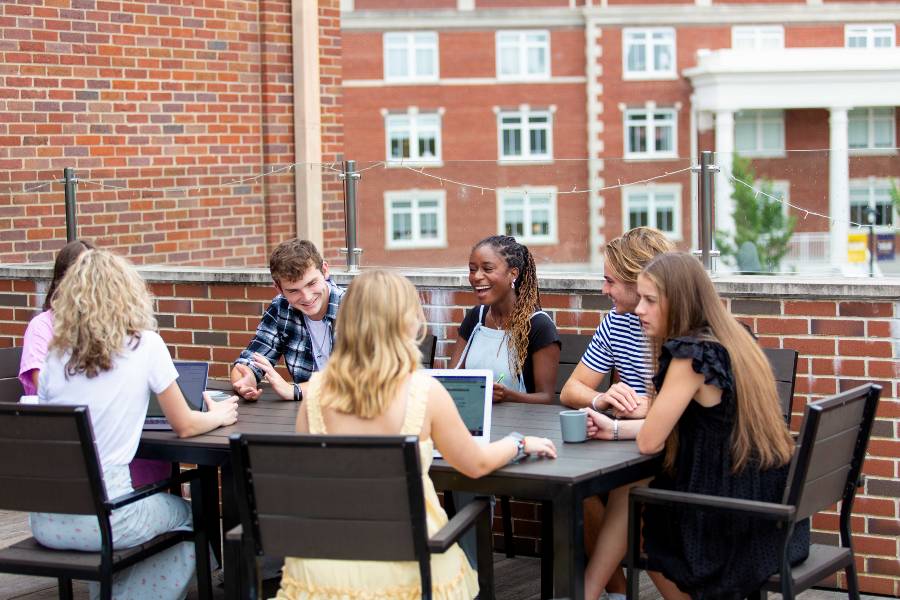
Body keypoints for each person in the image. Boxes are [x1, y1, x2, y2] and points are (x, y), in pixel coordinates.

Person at [253, 270, 557, 599]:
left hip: (323, 568)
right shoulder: (425, 391)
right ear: (407, 322)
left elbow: (306, 478)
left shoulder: (315, 394)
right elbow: (476, 465)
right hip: (411, 564)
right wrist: (518, 443)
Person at [587, 252, 809, 600]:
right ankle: (587, 591)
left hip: (731, 516)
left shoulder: (690, 355)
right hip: (769, 504)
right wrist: (614, 429)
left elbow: (649, 443)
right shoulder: (732, 337)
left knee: (645, 520)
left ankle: (586, 590)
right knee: (631, 489)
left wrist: (626, 428)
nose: (639, 310)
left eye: (649, 300)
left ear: (679, 302)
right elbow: (697, 425)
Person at [31, 249, 239, 600]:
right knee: (190, 514)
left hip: (48, 522)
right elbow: (185, 425)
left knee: (141, 523)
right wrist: (220, 415)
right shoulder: (146, 345)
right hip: (108, 520)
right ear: (130, 294)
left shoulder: (54, 355)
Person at [559, 226, 672, 600]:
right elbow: (571, 389)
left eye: (609, 281)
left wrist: (646, 409)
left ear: (639, 282)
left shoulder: (679, 329)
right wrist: (601, 398)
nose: (603, 290)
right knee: (576, 490)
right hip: (630, 445)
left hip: (667, 451)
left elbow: (684, 408)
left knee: (636, 505)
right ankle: (616, 592)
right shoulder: (615, 322)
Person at [448, 235, 560, 404]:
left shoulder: (538, 325)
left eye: (487, 269)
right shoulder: (475, 318)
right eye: (472, 269)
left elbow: (546, 398)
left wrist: (508, 395)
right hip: (474, 419)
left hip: (519, 426)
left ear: (513, 274)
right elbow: (453, 379)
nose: (477, 276)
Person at [231, 238, 343, 401]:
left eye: (311, 283)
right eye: (293, 291)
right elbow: (248, 361)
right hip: (307, 414)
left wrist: (295, 391)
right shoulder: (281, 308)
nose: (307, 297)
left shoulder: (356, 307)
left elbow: (361, 378)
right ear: (278, 288)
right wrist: (246, 378)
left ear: (325, 271)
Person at [18, 239, 94, 395]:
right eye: (82, 274)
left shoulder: (103, 324)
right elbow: (41, 385)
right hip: (53, 415)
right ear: (63, 280)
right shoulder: (41, 326)